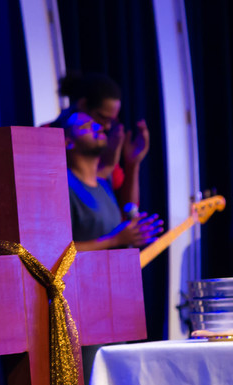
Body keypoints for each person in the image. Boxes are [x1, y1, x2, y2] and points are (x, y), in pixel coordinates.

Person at [50, 72, 149, 210]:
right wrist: (108, 165)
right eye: (103, 117)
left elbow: (126, 208)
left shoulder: (99, 146)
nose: (106, 127)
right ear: (83, 105)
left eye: (111, 120)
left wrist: (133, 163)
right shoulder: (47, 138)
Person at [64, 112, 161, 252]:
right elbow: (59, 251)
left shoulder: (103, 183)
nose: (98, 127)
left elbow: (128, 209)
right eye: (86, 126)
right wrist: (115, 240)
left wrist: (133, 163)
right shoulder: (63, 186)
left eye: (96, 124)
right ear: (68, 142)